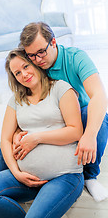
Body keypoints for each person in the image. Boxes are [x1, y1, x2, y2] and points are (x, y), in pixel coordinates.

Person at [0, 48, 84, 218]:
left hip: (64, 176)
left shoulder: (60, 88)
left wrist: (36, 138)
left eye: (26, 67)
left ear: (35, 63)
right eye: (17, 73)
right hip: (27, 180)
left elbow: (76, 131)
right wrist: (17, 173)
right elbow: (5, 139)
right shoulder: (17, 99)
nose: (24, 74)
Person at [17, 21, 108, 202]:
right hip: (49, 118)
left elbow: (99, 95)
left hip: (77, 117)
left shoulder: (76, 58)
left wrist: (89, 135)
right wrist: (16, 132)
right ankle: (12, 184)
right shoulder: (31, 64)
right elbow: (22, 102)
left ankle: (89, 176)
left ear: (53, 42)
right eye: (31, 56)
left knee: (96, 116)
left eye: (41, 52)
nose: (37, 60)